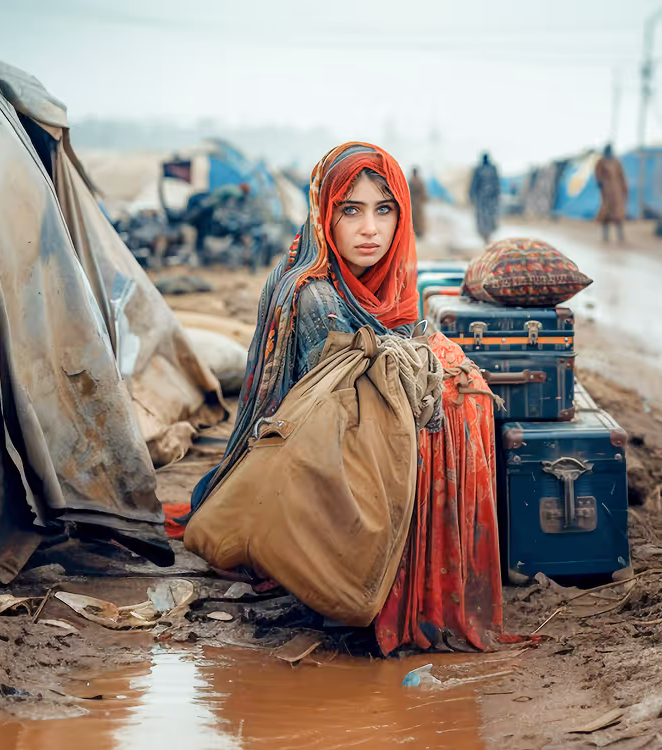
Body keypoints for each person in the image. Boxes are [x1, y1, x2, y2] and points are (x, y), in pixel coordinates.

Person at [188, 142, 502, 653]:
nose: (370, 230)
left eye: (384, 210)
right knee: (450, 402)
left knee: (456, 387)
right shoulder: (315, 294)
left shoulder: (387, 282)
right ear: (323, 215)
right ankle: (390, 578)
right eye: (350, 210)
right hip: (317, 466)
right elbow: (352, 416)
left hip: (345, 442)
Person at [595, 144, 628, 242]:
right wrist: (601, 184)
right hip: (607, 191)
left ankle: (620, 237)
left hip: (616, 191)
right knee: (606, 214)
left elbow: (621, 176)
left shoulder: (616, 162)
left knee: (618, 214)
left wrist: (624, 188)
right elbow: (598, 175)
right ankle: (605, 237)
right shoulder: (601, 162)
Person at [469, 152, 500, 244]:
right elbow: (474, 184)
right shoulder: (479, 169)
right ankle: (485, 236)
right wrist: (472, 197)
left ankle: (488, 235)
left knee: (489, 218)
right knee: (483, 219)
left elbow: (496, 183)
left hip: (489, 199)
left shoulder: (491, 169)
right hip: (482, 200)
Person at [408, 166, 428, 238]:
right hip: (417, 202)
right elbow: (423, 192)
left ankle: (418, 232)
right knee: (417, 218)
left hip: (415, 202)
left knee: (417, 218)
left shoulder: (412, 180)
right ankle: (418, 232)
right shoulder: (417, 181)